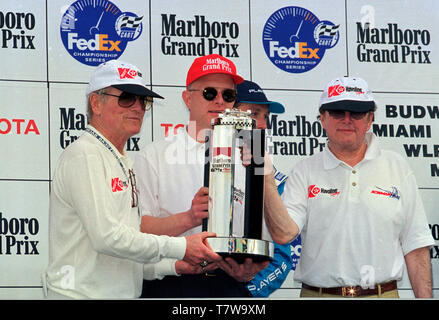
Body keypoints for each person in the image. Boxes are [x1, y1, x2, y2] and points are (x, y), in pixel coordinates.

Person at [43, 59, 221, 299]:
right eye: (127, 97)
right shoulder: (85, 154)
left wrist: (174, 266)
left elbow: (124, 252)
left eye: (143, 100)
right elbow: (108, 239)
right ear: (96, 103)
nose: (137, 107)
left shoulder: (121, 159)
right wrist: (182, 247)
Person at [265, 76, 435, 298]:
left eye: (356, 112)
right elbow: (285, 234)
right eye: (337, 112)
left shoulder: (397, 166)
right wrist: (266, 177)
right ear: (323, 119)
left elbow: (416, 244)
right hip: (319, 295)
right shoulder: (304, 170)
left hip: (383, 294)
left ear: (369, 119)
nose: (347, 119)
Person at [134, 54, 288, 297]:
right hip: (172, 282)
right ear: (187, 98)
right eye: (209, 93)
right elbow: (139, 231)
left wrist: (248, 268)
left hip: (231, 285)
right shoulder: (154, 155)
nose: (219, 101)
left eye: (228, 95)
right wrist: (188, 218)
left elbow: (268, 237)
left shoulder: (252, 155)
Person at [232, 80, 297, 297]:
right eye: (253, 114)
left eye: (266, 117)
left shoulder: (271, 175)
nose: (262, 124)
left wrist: (247, 293)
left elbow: (281, 255)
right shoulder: (195, 162)